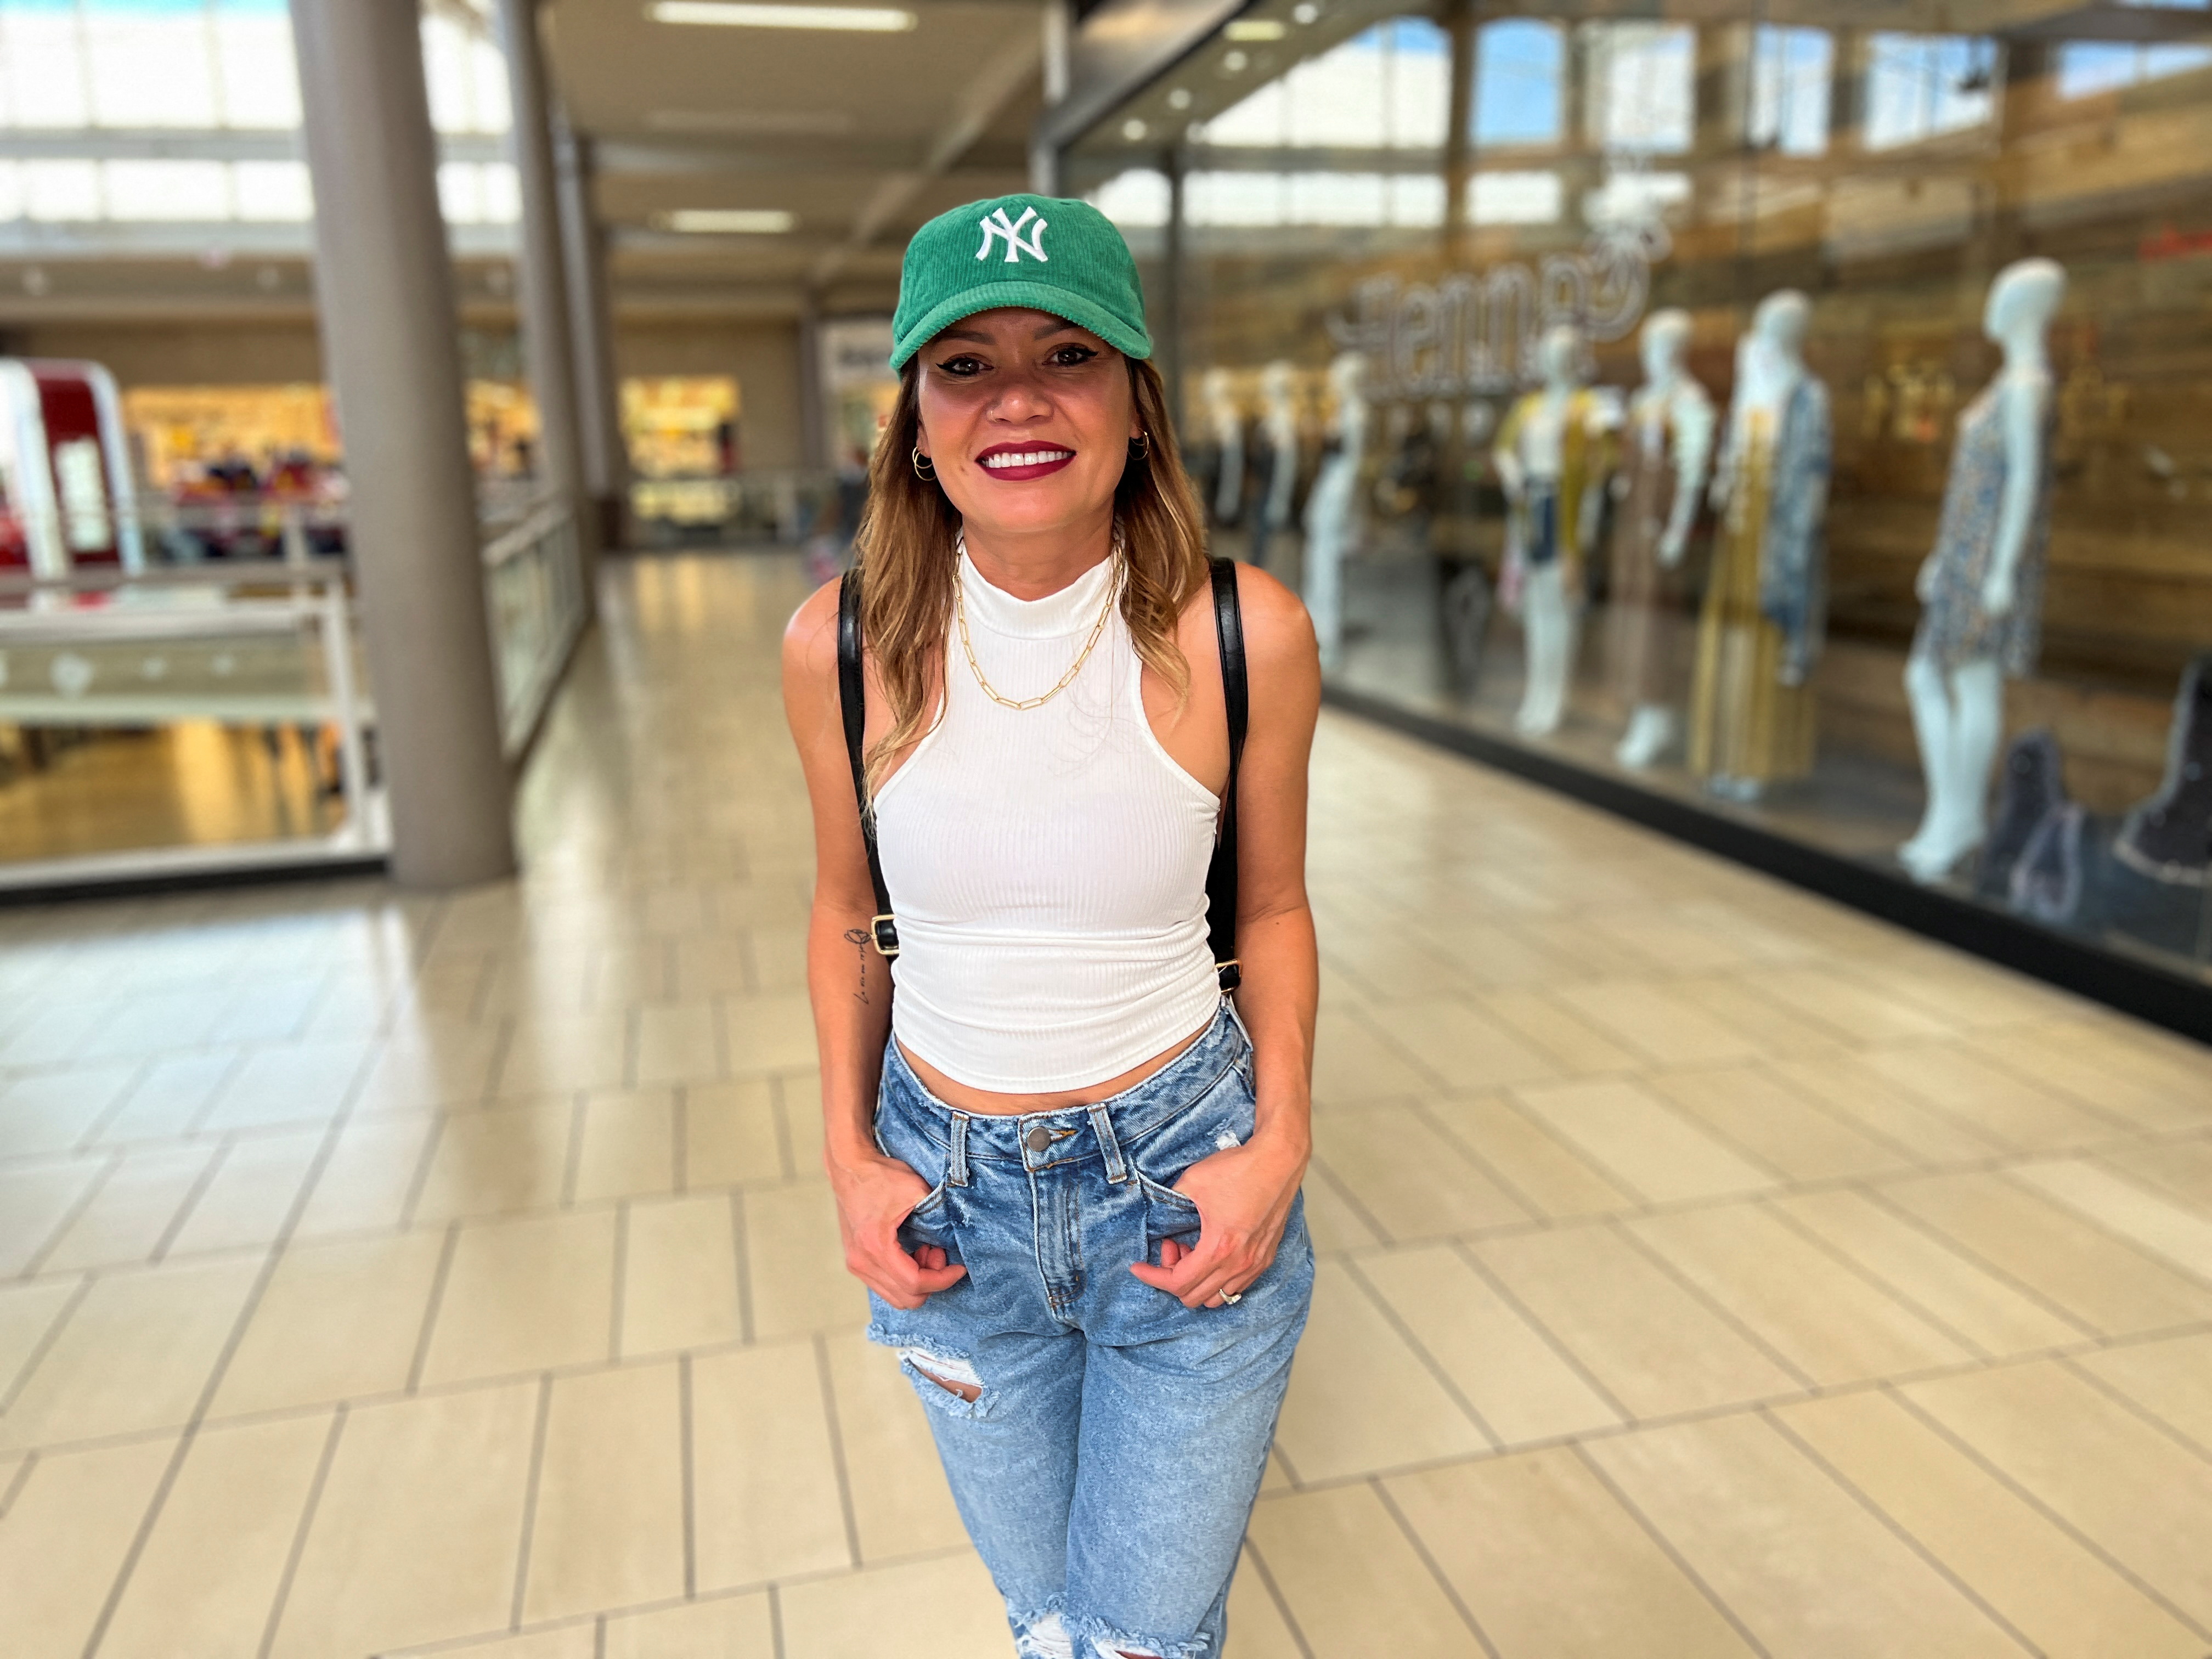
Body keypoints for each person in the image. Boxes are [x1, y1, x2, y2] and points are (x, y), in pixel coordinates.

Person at [782, 193, 1321, 1659]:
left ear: (1136, 405)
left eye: (1067, 355)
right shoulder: (839, 647)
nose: (1017, 400)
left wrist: (1278, 1146)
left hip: (1180, 1180)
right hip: (951, 1213)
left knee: (1138, 1644)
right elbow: (847, 919)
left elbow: (1270, 908)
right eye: (965, 365)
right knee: (1048, 1623)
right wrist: (847, 1162)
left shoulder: (1240, 631)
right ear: (912, 421)